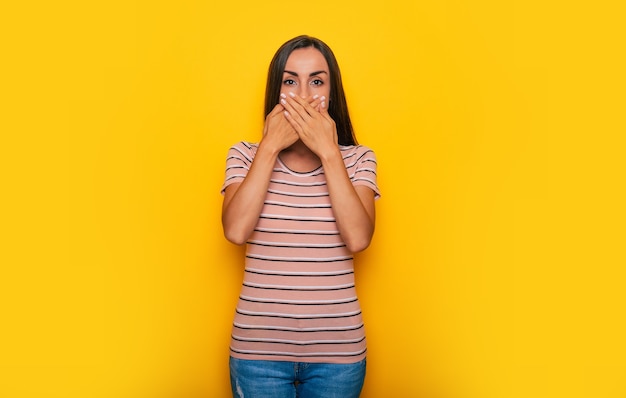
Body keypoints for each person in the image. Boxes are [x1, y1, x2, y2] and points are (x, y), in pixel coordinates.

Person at [221, 35, 380, 398]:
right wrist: (270, 146)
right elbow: (235, 230)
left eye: (317, 81)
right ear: (276, 91)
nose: (303, 94)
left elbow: (358, 239)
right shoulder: (244, 155)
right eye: (290, 81)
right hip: (256, 355)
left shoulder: (358, 159)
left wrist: (328, 150)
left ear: (332, 91)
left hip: (338, 359)